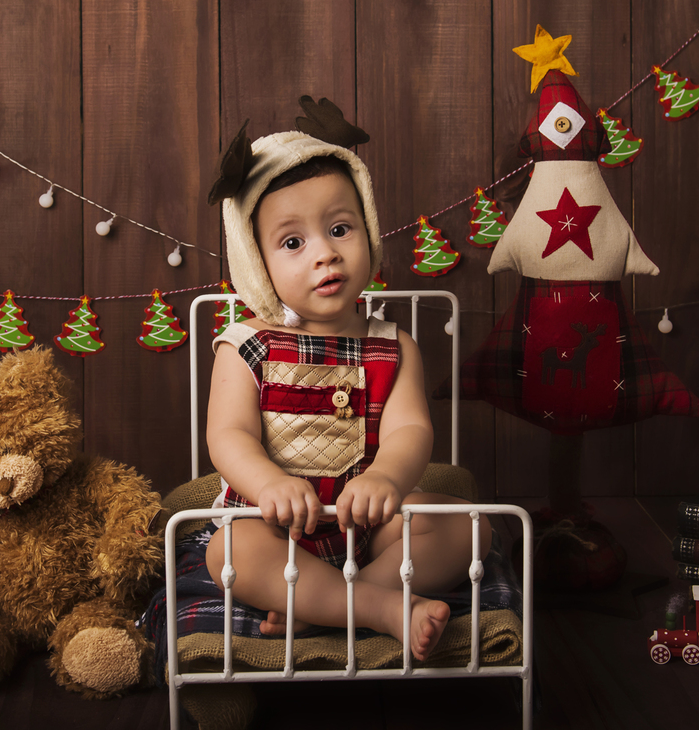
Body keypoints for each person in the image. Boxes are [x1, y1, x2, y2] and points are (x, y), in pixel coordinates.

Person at [204, 99, 491, 661]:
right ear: (257, 261)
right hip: (278, 525)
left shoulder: (391, 344)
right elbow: (228, 436)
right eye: (293, 242)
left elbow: (411, 431)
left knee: (469, 530)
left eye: (340, 228)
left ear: (369, 230)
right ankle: (384, 608)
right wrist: (268, 486)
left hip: (369, 521)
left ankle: (320, 607)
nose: (326, 254)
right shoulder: (246, 345)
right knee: (228, 553)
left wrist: (386, 478)